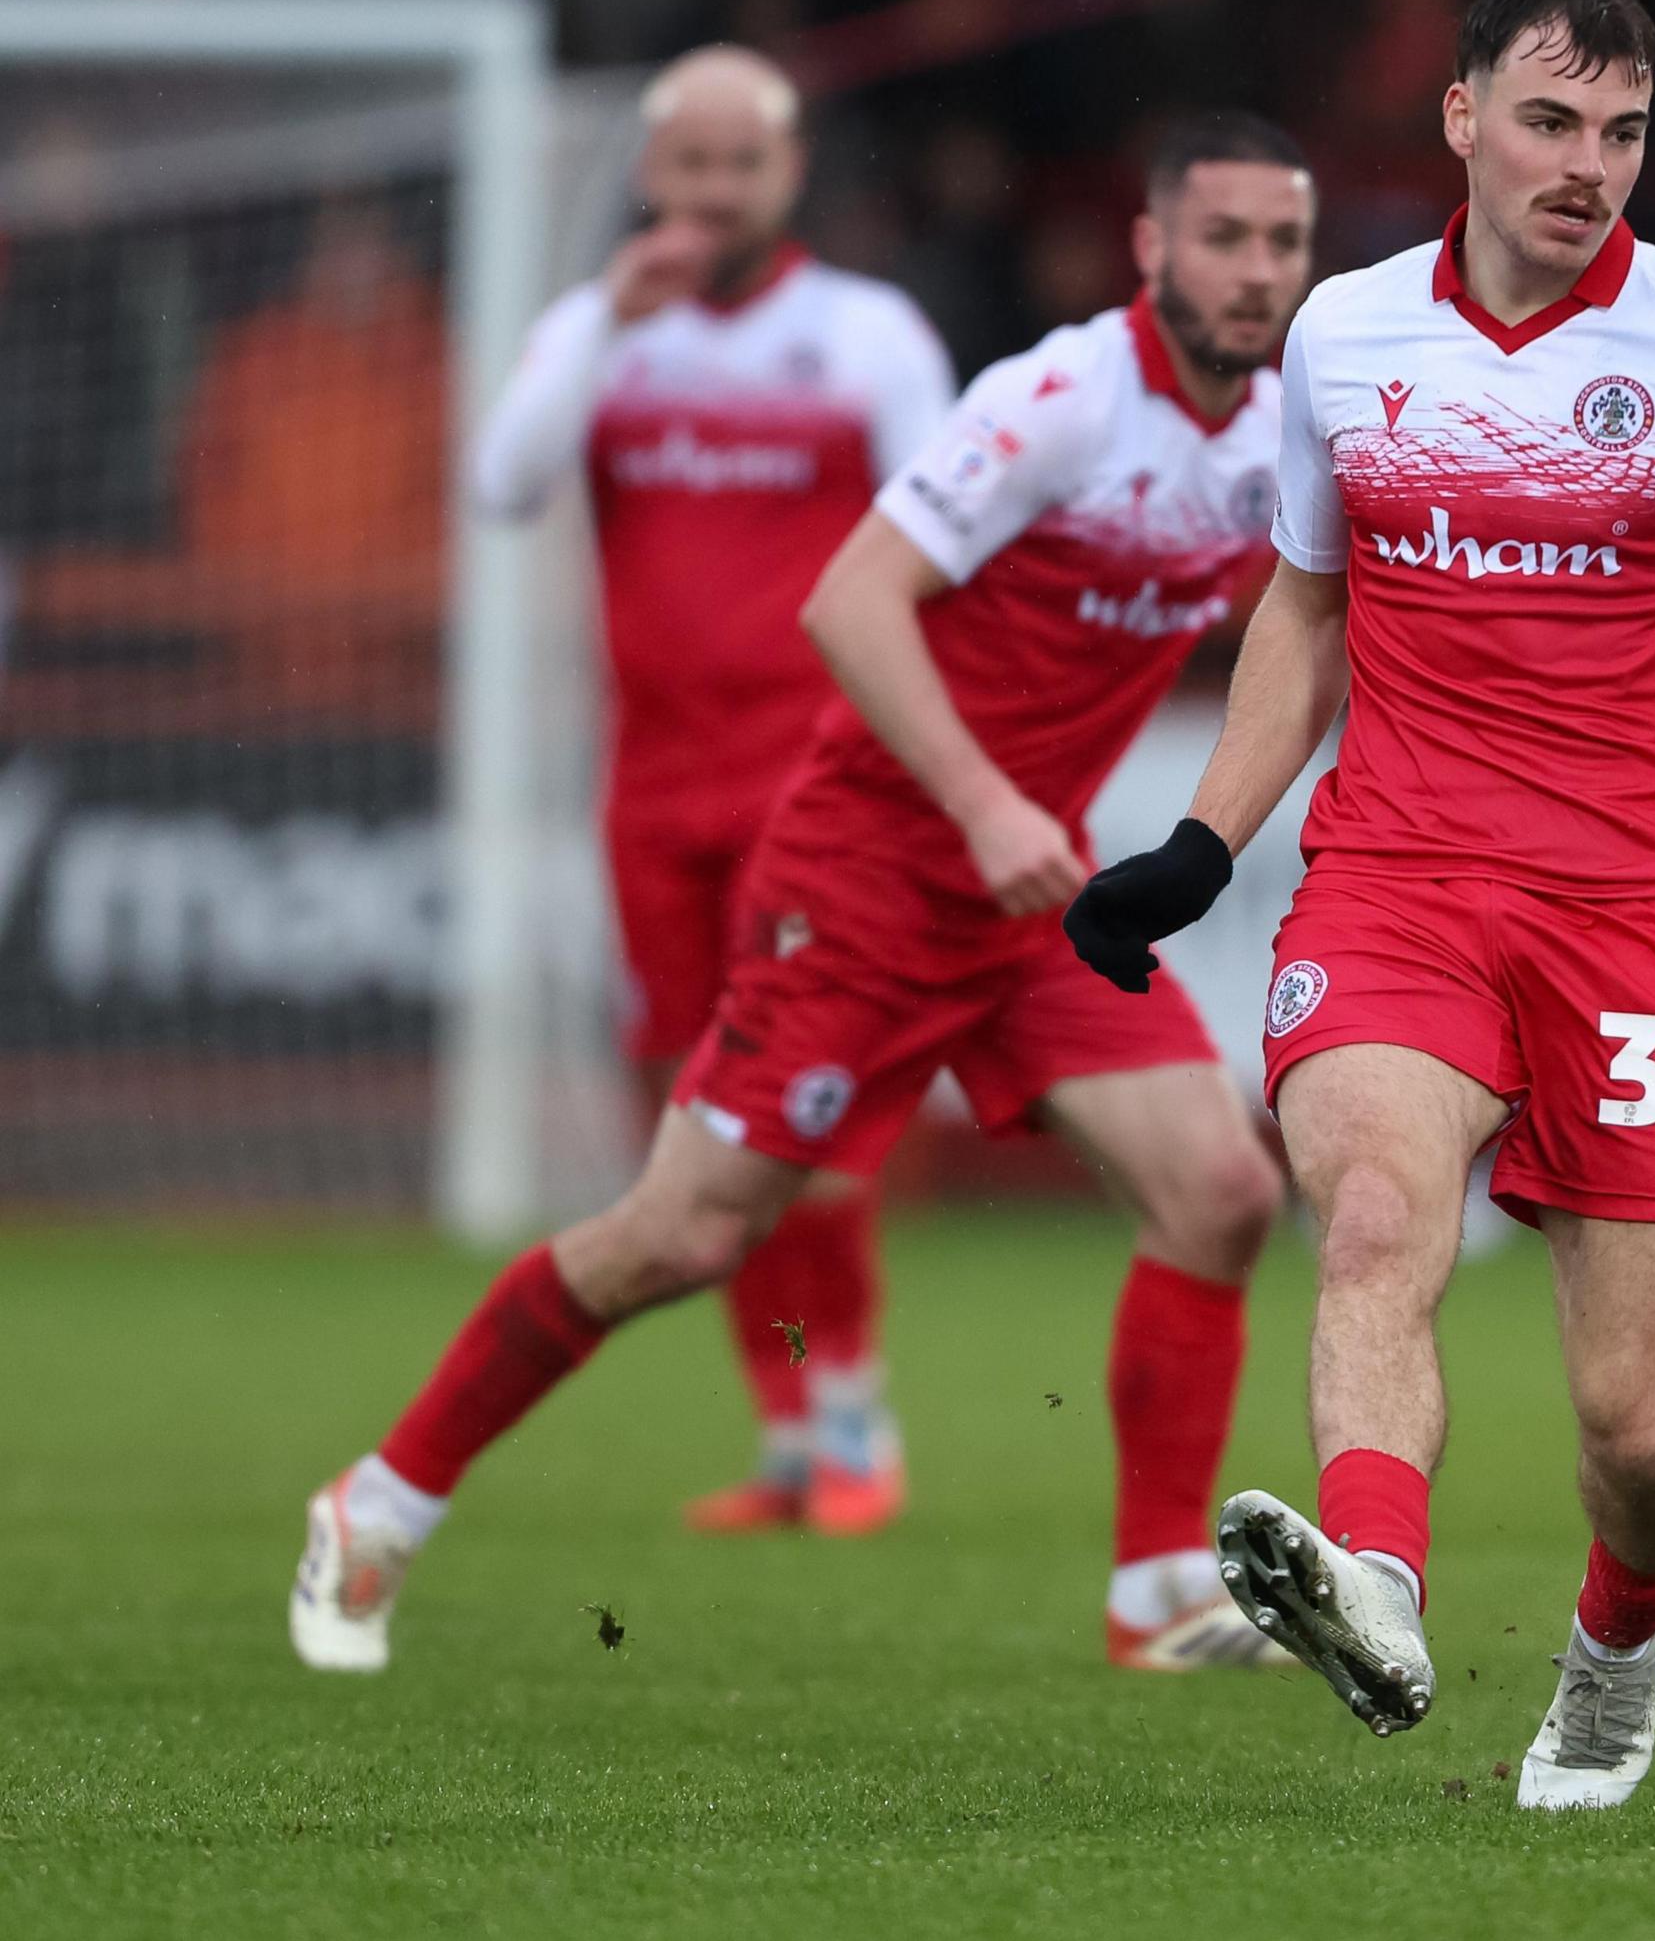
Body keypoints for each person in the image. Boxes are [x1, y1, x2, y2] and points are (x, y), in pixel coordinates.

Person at [292, 113, 1324, 1675]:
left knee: (1224, 1188)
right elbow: (850, 601)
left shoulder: (1280, 435)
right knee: (681, 1235)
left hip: (1023, 893)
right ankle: (378, 1502)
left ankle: (1156, 1587)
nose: (1256, 275)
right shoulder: (1059, 400)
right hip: (868, 876)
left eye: (1283, 245)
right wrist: (980, 802)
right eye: (1226, 239)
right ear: (1152, 247)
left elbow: (1403, 598)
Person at [1063, 0, 1655, 1807]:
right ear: (1461, 119)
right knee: (1376, 1218)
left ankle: (1618, 1650)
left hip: (1635, 923)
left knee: (1644, 1431)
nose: (1587, 165)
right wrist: (1206, 843)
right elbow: (1306, 601)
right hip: (1400, 877)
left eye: (1621, 132)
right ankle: (1375, 1583)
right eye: (1548, 121)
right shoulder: (1347, 338)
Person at [466, 46, 952, 1537]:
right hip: (653, 789)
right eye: (690, 167)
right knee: (698, 1127)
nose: (713, 194)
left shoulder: (864, 336)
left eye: (742, 167)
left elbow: (951, 541)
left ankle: (859, 1414)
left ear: (787, 177)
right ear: (648, 176)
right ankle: (793, 1431)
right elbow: (501, 481)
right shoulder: (598, 335)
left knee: (793, 1119)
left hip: (815, 793)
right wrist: (606, 321)